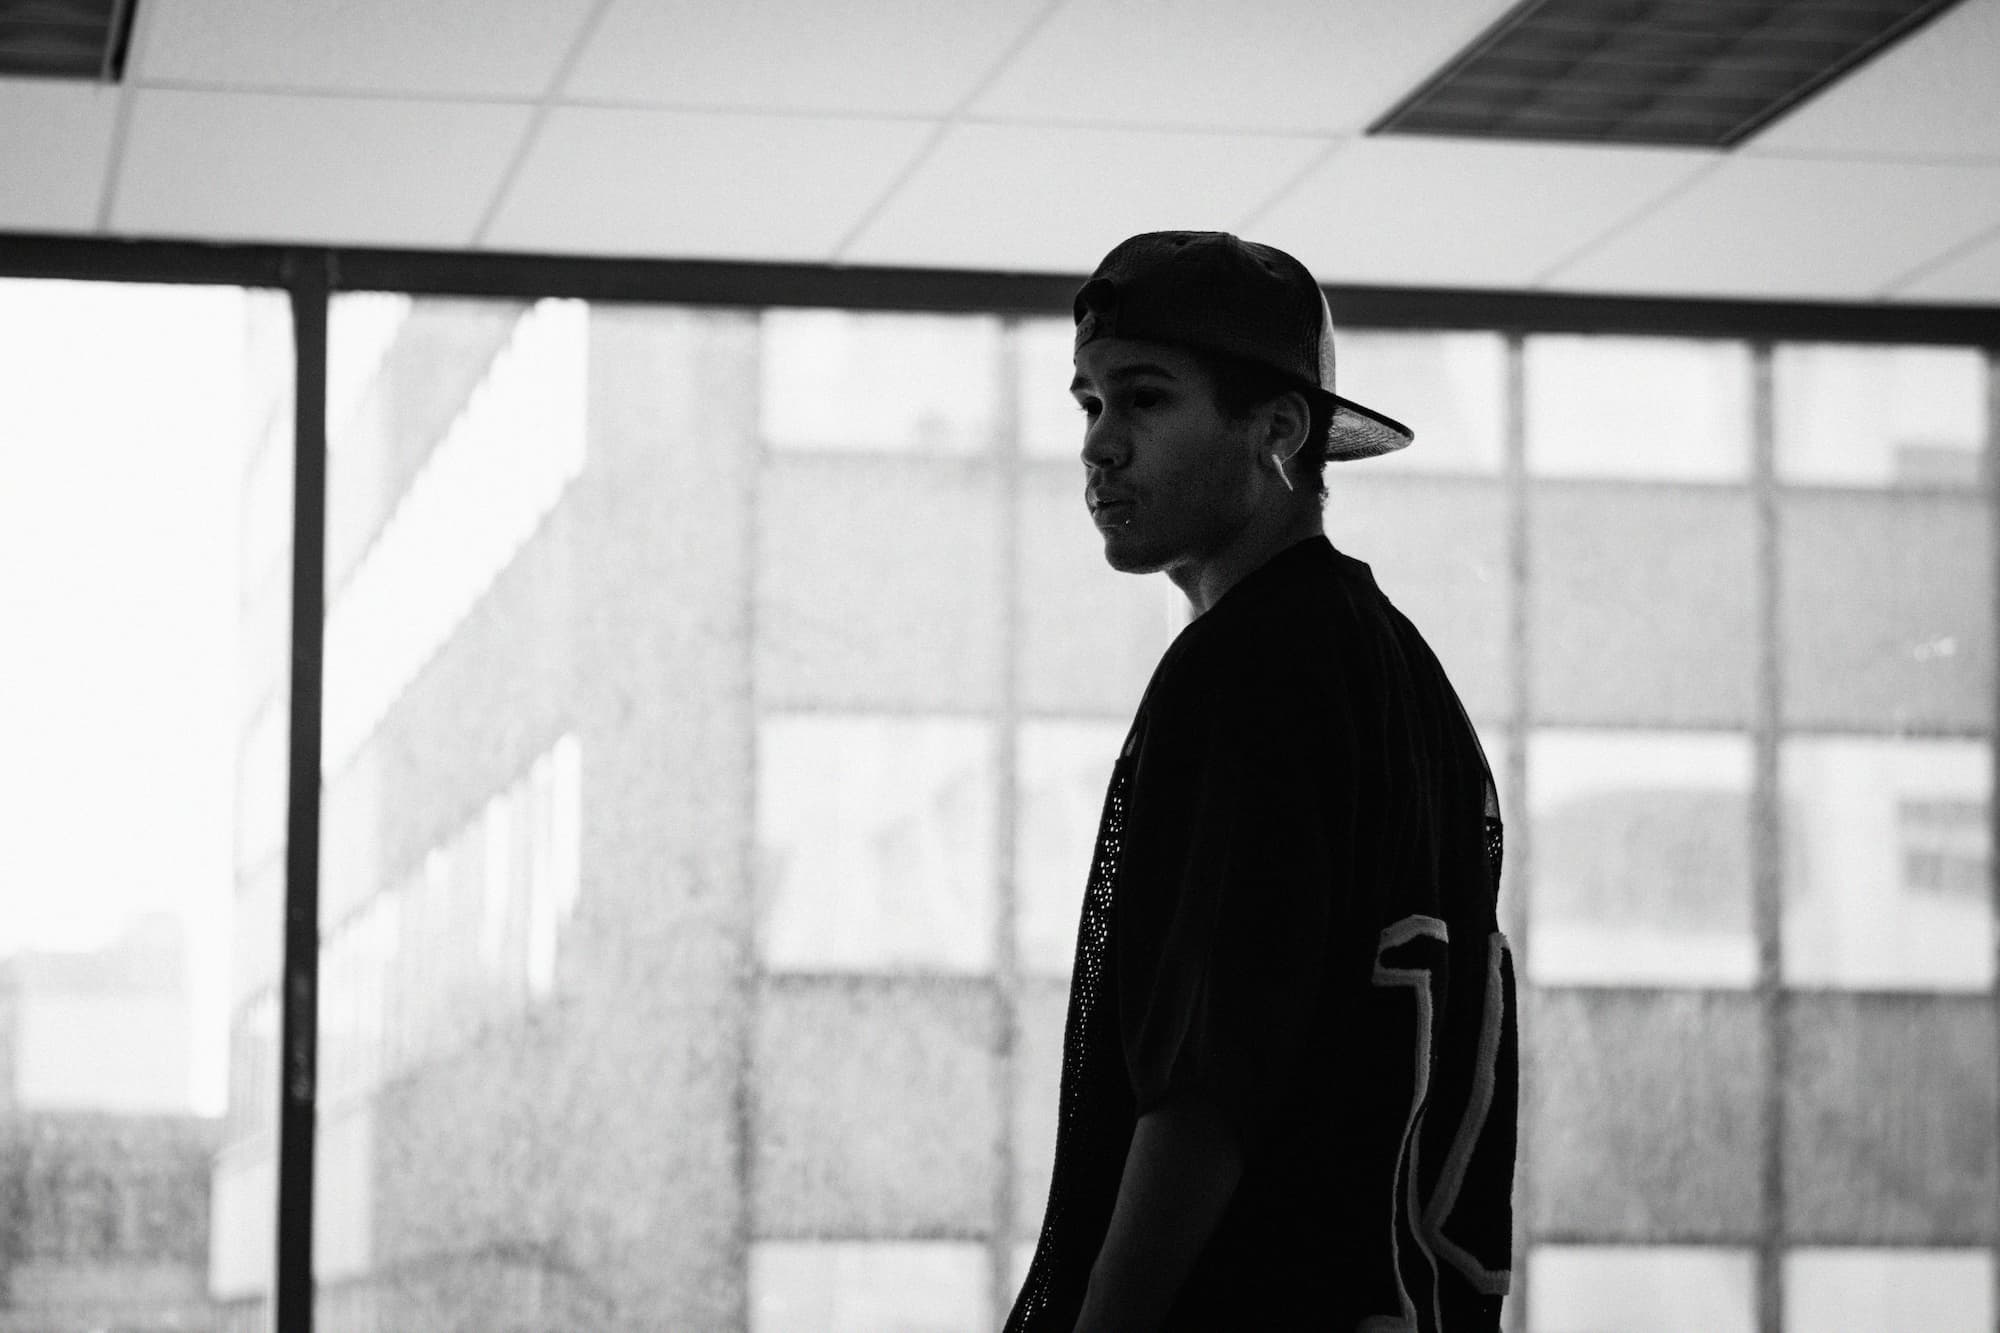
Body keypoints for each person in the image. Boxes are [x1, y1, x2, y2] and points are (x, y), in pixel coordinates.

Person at [1005, 232, 1517, 1332]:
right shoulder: (1398, 672)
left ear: (1278, 432)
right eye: (1088, 404)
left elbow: (1205, 1091)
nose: (1100, 446)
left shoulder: (1247, 669)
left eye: (1143, 400)